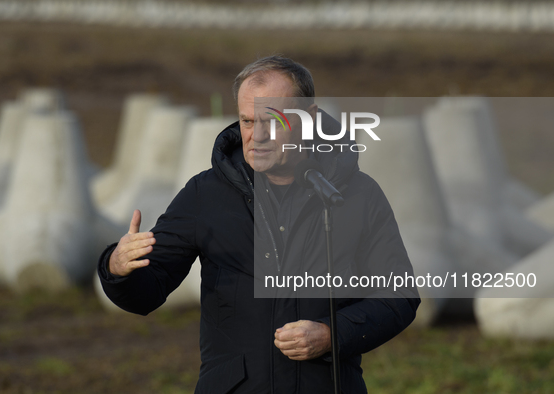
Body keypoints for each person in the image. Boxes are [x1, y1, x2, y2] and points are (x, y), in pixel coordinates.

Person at [98, 55, 420, 393]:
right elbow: (144, 294)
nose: (257, 136)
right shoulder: (205, 195)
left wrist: (331, 334)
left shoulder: (358, 194)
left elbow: (398, 297)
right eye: (248, 121)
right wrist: (118, 267)